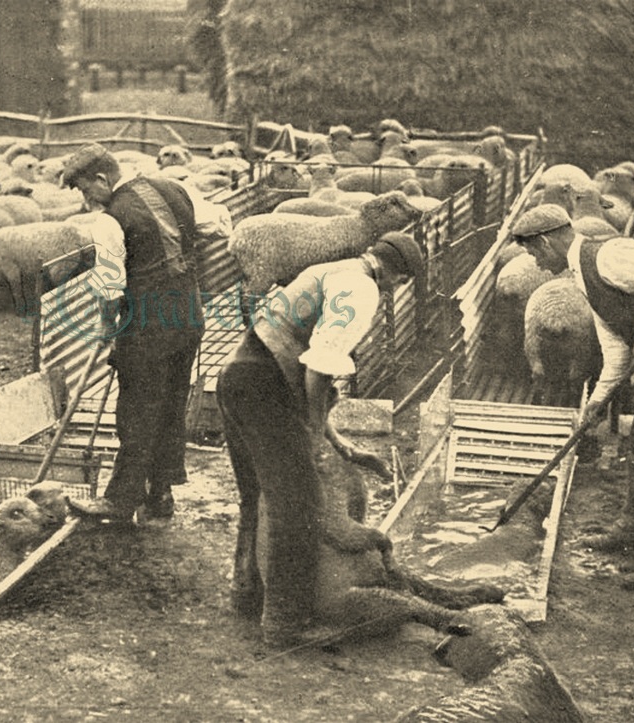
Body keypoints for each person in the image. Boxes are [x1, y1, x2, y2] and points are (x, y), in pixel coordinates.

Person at [216, 231, 426, 646]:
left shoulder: (328, 269)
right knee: (299, 506)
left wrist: (339, 442)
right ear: (395, 275)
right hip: (265, 390)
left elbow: (299, 362)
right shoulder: (361, 289)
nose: (393, 291)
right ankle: (284, 624)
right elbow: (318, 369)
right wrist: (312, 430)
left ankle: (247, 593)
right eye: (400, 284)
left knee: (256, 496)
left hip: (237, 377)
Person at [510, 203, 634, 589]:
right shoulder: (584, 277)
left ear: (546, 241)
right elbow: (617, 352)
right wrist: (596, 402)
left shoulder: (609, 255)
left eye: (534, 252)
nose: (536, 264)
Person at [59, 143, 210, 521]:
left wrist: (107, 329)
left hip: (147, 328)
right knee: (171, 405)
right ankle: (160, 495)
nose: (85, 198)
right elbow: (215, 226)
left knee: (137, 412)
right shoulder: (176, 188)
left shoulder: (110, 220)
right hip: (188, 317)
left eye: (82, 188)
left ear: (101, 179)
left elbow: (110, 289)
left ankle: (121, 500)